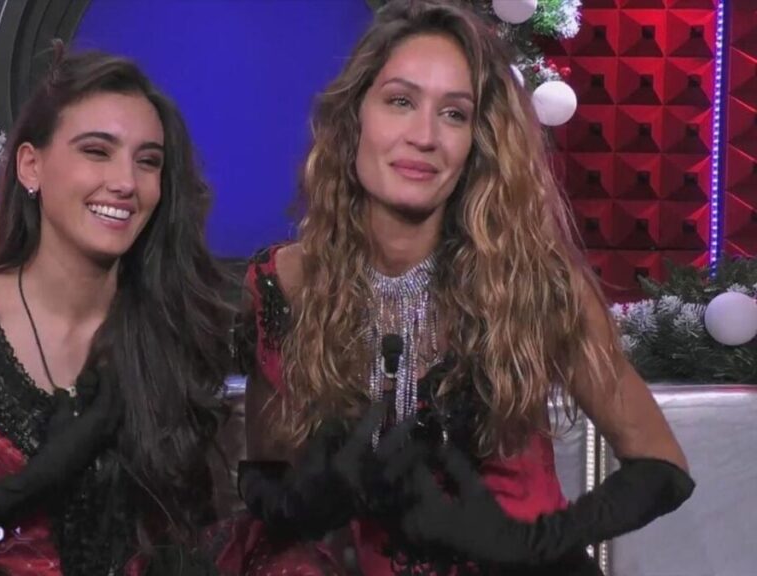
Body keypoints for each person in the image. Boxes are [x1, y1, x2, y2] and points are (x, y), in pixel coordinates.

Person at [227, 1, 695, 574]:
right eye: (400, 101)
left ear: (477, 140)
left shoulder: (535, 283)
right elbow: (268, 475)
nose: (424, 136)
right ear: (354, 119)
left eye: (454, 114)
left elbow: (662, 466)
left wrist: (532, 542)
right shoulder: (281, 286)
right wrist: (306, 502)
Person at [0, 44, 233, 576]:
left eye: (148, 161)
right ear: (31, 165)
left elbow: (199, 529)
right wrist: (28, 485)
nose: (126, 182)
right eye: (97, 151)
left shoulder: (174, 322)